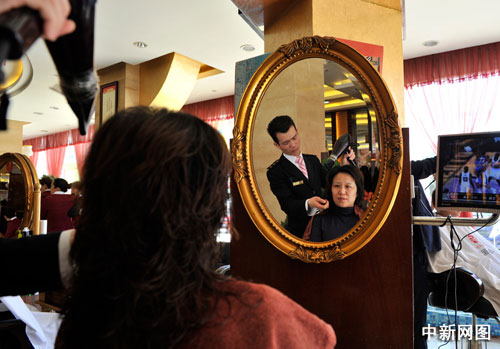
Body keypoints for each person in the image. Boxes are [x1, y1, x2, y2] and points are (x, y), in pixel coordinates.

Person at [55, 107, 337, 348]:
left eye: (295, 137)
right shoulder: (262, 319)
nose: (293, 144)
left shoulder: (78, 324)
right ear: (210, 208)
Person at [266, 115, 353, 238]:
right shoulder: (276, 172)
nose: (293, 144)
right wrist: (308, 203)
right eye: (286, 142)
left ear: (297, 132)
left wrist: (344, 165)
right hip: (301, 232)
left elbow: (330, 182)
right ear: (277, 145)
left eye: (294, 137)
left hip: (326, 226)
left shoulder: (312, 160)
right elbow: (287, 204)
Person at [428, 192, 500, 316]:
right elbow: (441, 262)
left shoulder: (462, 224)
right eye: (450, 199)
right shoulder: (434, 227)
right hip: (480, 279)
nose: (457, 204)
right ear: (435, 204)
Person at [411, 156, 441, 349]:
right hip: (413, 253)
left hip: (420, 249)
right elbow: (427, 165)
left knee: (418, 317)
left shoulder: (409, 170)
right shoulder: (405, 169)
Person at [307, 165, 365, 242]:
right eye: (337, 186)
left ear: (357, 191)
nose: (342, 192)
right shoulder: (320, 219)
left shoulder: (366, 217)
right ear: (330, 189)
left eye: (348, 186)